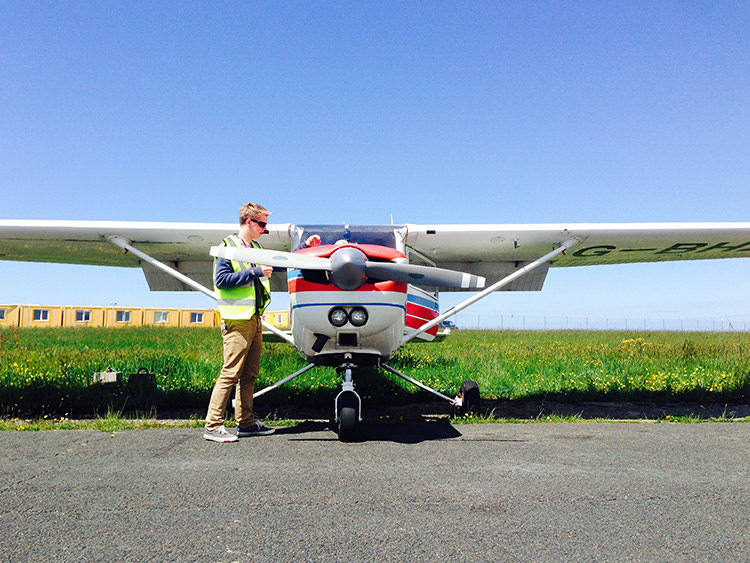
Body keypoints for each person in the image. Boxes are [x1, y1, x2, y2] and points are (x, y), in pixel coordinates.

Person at [204, 202, 319, 443]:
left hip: (255, 319)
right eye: (262, 224)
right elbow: (222, 280)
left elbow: (275, 264)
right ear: (248, 222)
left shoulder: (255, 247)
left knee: (249, 374)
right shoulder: (228, 247)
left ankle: (245, 423)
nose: (264, 230)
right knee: (230, 373)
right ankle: (213, 425)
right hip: (237, 320)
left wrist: (304, 248)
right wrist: (254, 273)